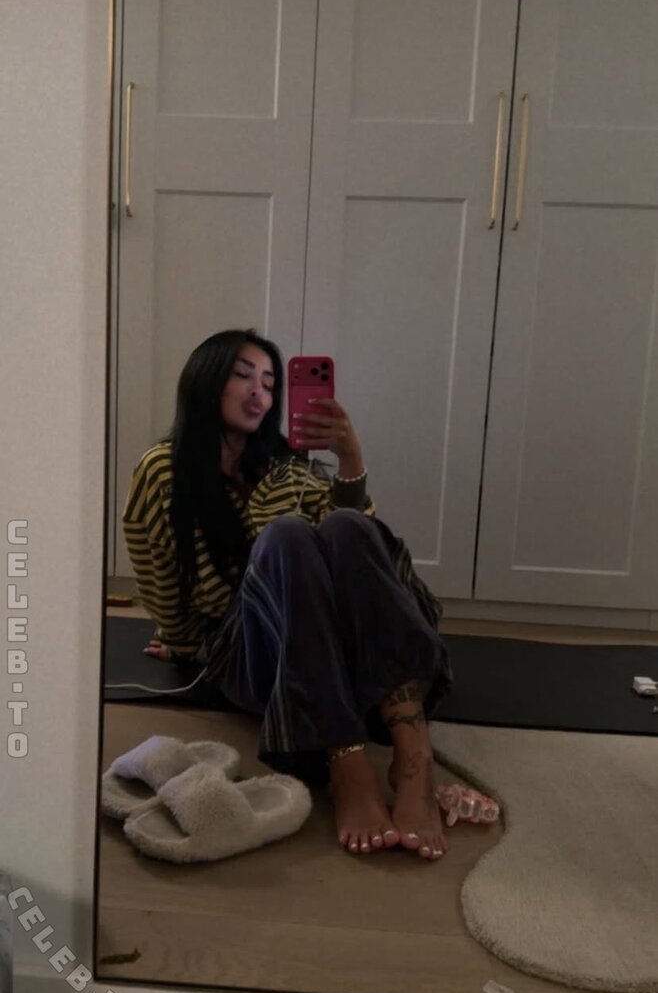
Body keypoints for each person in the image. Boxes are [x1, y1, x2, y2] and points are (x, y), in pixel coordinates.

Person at [122, 329, 453, 861]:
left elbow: (361, 559)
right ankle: (346, 758)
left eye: (271, 382)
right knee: (287, 536)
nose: (260, 392)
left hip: (335, 643)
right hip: (256, 654)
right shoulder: (163, 471)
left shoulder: (288, 467)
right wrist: (183, 644)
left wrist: (350, 459)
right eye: (243, 376)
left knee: (344, 526)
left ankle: (415, 758)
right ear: (205, 381)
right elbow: (155, 566)